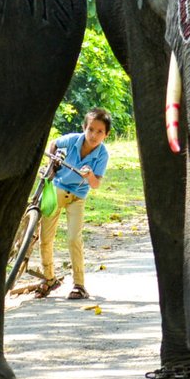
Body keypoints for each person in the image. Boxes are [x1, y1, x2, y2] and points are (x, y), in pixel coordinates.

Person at [39, 108, 112, 301]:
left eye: (99, 132)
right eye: (90, 129)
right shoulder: (72, 140)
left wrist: (90, 176)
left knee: (73, 238)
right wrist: (52, 165)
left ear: (106, 134)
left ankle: (79, 284)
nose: (94, 135)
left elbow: (96, 185)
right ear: (84, 128)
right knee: (45, 237)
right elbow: (54, 144)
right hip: (56, 190)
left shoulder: (102, 155)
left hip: (77, 197)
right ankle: (49, 278)